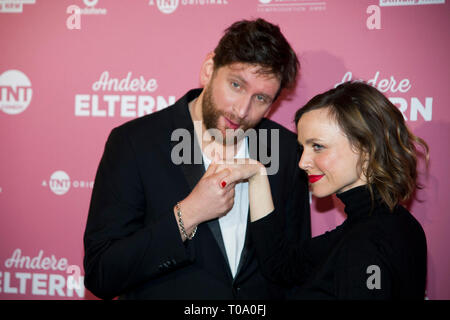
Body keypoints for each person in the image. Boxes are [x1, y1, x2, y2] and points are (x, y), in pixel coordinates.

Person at [83, 18, 311, 300]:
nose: (242, 110)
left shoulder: (285, 150)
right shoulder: (135, 143)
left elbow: (295, 269)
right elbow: (102, 274)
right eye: (237, 85)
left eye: (261, 98)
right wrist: (187, 215)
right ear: (209, 69)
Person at [224, 81, 428, 299]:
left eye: (318, 147)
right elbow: (282, 265)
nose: (302, 162)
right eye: (302, 149)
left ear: (367, 149)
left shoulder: (366, 241)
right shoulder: (386, 223)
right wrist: (257, 176)